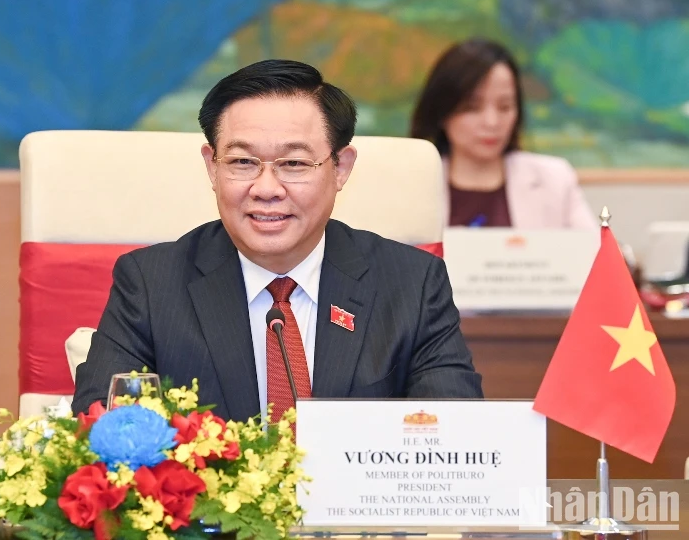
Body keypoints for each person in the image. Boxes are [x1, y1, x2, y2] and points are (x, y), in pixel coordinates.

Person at [72, 59, 483, 422]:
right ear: (212, 167)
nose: (266, 188)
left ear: (340, 168)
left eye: (294, 163)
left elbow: (454, 432)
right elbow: (104, 432)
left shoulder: (412, 284)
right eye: (242, 161)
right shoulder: (150, 284)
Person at [410, 38, 597, 229]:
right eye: (472, 108)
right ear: (442, 112)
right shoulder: (411, 187)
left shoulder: (555, 180)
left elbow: (594, 246)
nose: (492, 122)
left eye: (505, 107)